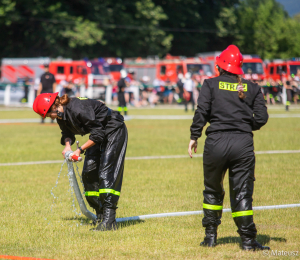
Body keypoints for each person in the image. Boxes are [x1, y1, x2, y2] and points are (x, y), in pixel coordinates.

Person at [188, 45, 269, 251]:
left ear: (220, 66)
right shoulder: (253, 87)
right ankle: (248, 242)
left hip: (215, 143)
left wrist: (194, 136)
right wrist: (243, 126)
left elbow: (202, 112)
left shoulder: (210, 84)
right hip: (242, 144)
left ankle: (210, 238)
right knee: (242, 192)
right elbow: (261, 118)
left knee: (212, 190)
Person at [33, 93, 127, 231]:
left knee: (106, 174)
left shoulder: (78, 108)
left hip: (113, 129)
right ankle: (100, 215)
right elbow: (66, 133)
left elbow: (98, 133)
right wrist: (68, 146)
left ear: (55, 104)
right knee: (88, 174)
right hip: (98, 133)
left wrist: (80, 149)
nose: (51, 117)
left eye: (49, 114)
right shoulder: (60, 114)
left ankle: (109, 221)